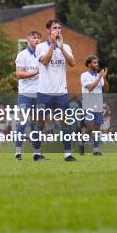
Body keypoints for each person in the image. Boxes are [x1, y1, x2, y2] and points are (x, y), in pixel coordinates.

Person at [34, 18, 76, 162]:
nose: (58, 30)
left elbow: (72, 63)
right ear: (48, 30)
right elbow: (45, 61)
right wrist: (53, 45)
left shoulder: (67, 47)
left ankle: (67, 154)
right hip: (44, 92)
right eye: (54, 28)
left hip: (61, 93)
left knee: (65, 122)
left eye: (59, 28)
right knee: (40, 123)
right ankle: (36, 153)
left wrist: (61, 47)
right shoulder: (40, 47)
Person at [14, 30, 41, 160]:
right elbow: (19, 75)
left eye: (38, 38)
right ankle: (18, 152)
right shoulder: (22, 55)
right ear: (28, 39)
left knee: (37, 124)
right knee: (22, 122)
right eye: (34, 37)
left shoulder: (43, 55)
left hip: (40, 95)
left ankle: (36, 153)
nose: (36, 39)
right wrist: (36, 72)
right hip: (25, 94)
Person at [80, 56, 109, 156]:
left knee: (97, 129)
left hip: (98, 105)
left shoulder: (99, 76)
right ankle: (82, 142)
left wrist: (104, 78)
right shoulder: (84, 75)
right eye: (94, 63)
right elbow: (91, 87)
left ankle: (96, 150)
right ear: (89, 64)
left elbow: (106, 89)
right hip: (88, 105)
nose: (97, 64)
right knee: (90, 128)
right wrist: (99, 77)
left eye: (97, 63)